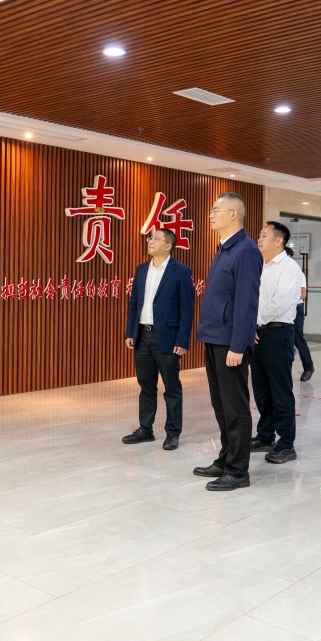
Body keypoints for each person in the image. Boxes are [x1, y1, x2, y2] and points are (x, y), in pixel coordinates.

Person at [193, 192, 263, 490]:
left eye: (216, 210)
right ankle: (225, 458)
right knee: (221, 405)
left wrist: (238, 344)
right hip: (214, 336)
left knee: (235, 407)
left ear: (233, 214)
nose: (211, 215)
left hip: (229, 342)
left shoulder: (246, 250)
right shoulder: (224, 248)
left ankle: (238, 471)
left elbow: (247, 301)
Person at [123, 228, 195, 450]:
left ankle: (173, 433)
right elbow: (134, 303)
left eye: (156, 238)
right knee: (146, 385)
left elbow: (187, 309)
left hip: (167, 338)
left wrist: (182, 340)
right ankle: (145, 429)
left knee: (171, 388)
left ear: (168, 245)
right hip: (142, 336)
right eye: (150, 238)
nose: (151, 241)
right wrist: (130, 332)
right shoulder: (141, 269)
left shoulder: (181, 271)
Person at [249, 222, 300, 463]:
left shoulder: (289, 267)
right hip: (257, 334)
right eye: (259, 235)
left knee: (280, 391)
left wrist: (254, 321)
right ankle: (265, 435)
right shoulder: (261, 266)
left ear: (279, 241)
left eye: (264, 235)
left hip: (278, 334)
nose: (259, 239)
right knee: (261, 390)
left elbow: (279, 304)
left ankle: (287, 443)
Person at [285, 247, 315, 382]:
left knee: (298, 339)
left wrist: (287, 298)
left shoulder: (297, 272)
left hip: (296, 308)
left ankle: (308, 367)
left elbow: (303, 294)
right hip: (284, 308)